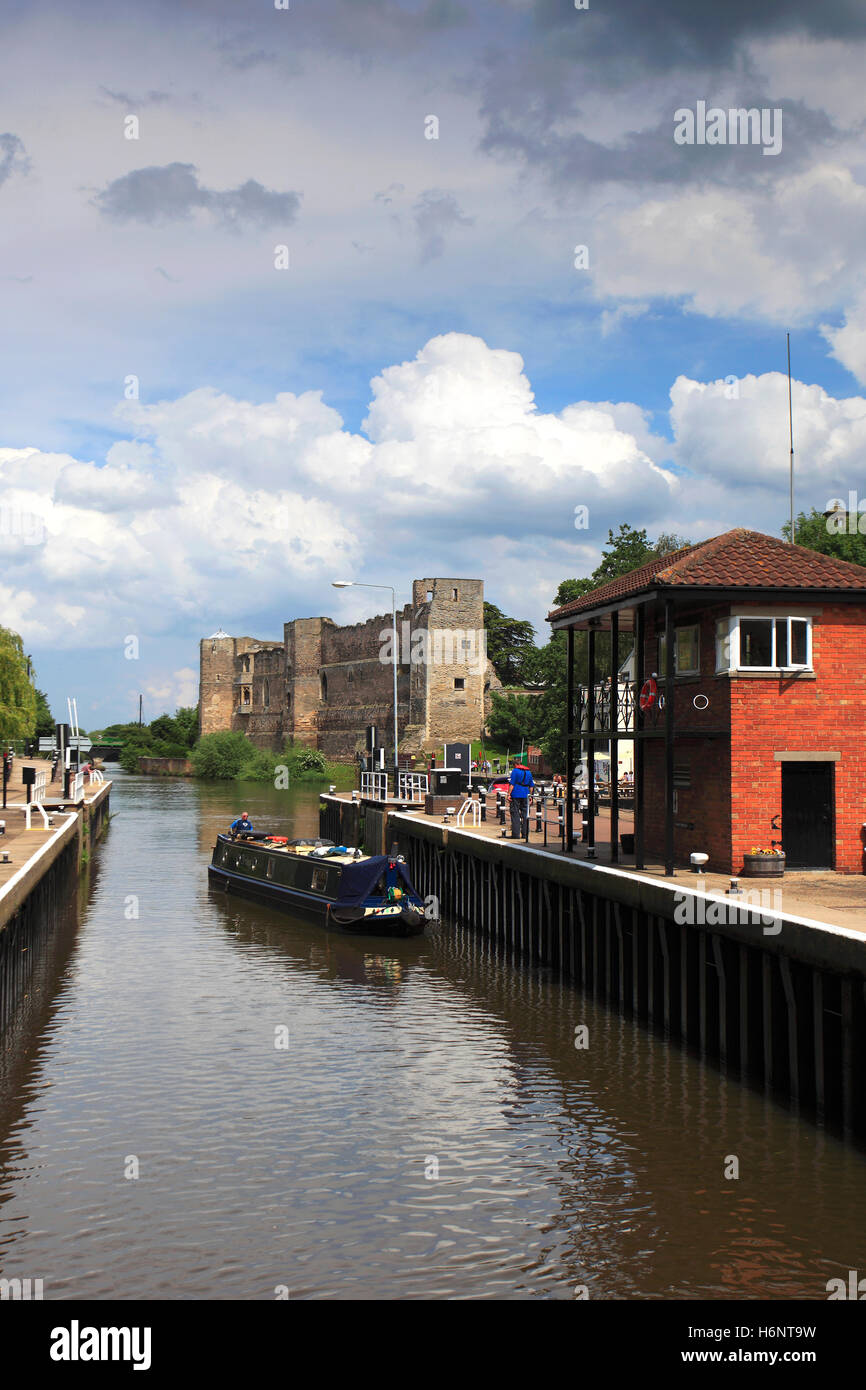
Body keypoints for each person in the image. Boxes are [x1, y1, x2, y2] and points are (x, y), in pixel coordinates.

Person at [508, 759, 534, 839]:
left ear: (515, 764)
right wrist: (530, 796)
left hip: (516, 793)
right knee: (525, 815)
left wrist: (508, 794)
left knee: (515, 814)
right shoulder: (529, 772)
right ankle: (525, 834)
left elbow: (512, 784)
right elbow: (531, 786)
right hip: (526, 794)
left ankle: (515, 834)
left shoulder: (515, 771)